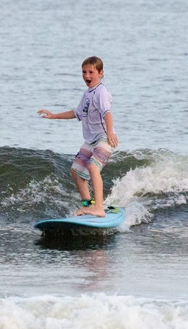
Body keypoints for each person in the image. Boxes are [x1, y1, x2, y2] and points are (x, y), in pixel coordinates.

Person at [38, 56, 118, 217]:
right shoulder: (87, 94)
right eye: (84, 72)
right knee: (75, 172)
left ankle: (99, 208)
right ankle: (89, 204)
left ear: (101, 73)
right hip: (90, 140)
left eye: (91, 72)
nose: (87, 76)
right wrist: (53, 116)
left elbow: (107, 113)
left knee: (93, 167)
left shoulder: (101, 92)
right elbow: (76, 113)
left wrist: (110, 132)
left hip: (103, 138)